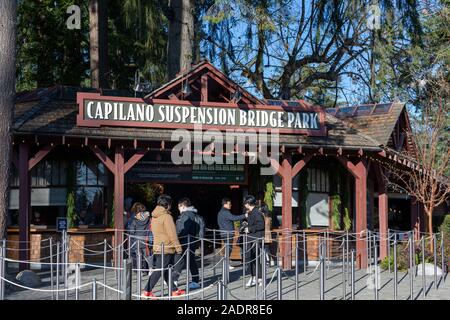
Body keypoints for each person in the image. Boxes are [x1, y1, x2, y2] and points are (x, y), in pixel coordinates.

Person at [142, 194, 185, 298]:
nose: (171, 206)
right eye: (170, 204)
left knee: (164, 270)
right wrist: (178, 248)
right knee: (159, 270)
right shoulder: (167, 216)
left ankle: (173, 290)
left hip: (158, 246)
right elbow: (172, 234)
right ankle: (146, 291)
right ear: (167, 205)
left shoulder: (154, 215)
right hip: (166, 247)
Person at [173, 197, 204, 290]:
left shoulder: (185, 215)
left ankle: (174, 280)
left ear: (182, 206)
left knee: (179, 260)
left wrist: (176, 237)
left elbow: (182, 230)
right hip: (192, 241)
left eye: (179, 207)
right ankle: (195, 280)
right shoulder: (194, 214)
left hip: (184, 241)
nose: (178, 209)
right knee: (191, 261)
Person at [217, 197, 247, 270]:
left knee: (228, 249)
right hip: (227, 233)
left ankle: (226, 263)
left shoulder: (221, 212)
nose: (231, 205)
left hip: (224, 233)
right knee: (229, 249)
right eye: (229, 204)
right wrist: (245, 215)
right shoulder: (225, 212)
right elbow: (233, 218)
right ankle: (226, 264)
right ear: (225, 204)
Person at [242, 195, 265, 287]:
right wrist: (245, 224)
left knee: (256, 259)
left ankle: (260, 278)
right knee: (250, 258)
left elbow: (261, 225)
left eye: (245, 203)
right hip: (250, 239)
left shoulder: (257, 213)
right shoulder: (250, 212)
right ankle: (253, 276)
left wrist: (250, 229)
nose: (244, 205)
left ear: (248, 203)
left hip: (255, 238)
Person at [127, 202, 153, 269]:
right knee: (147, 255)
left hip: (137, 241)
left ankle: (141, 270)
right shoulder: (148, 218)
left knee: (139, 256)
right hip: (146, 240)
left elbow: (132, 231)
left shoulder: (134, 220)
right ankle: (150, 268)